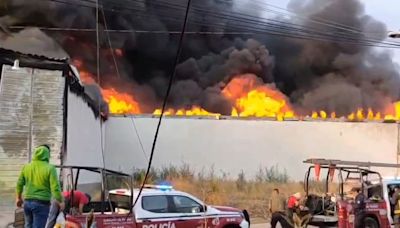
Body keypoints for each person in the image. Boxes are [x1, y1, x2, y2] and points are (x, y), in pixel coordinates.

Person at [15, 145, 64, 228]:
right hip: (41, 204)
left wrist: (18, 198)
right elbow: (55, 187)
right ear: (47, 155)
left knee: (28, 225)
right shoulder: (50, 168)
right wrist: (60, 201)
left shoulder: (26, 167)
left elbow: (19, 184)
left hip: (27, 203)